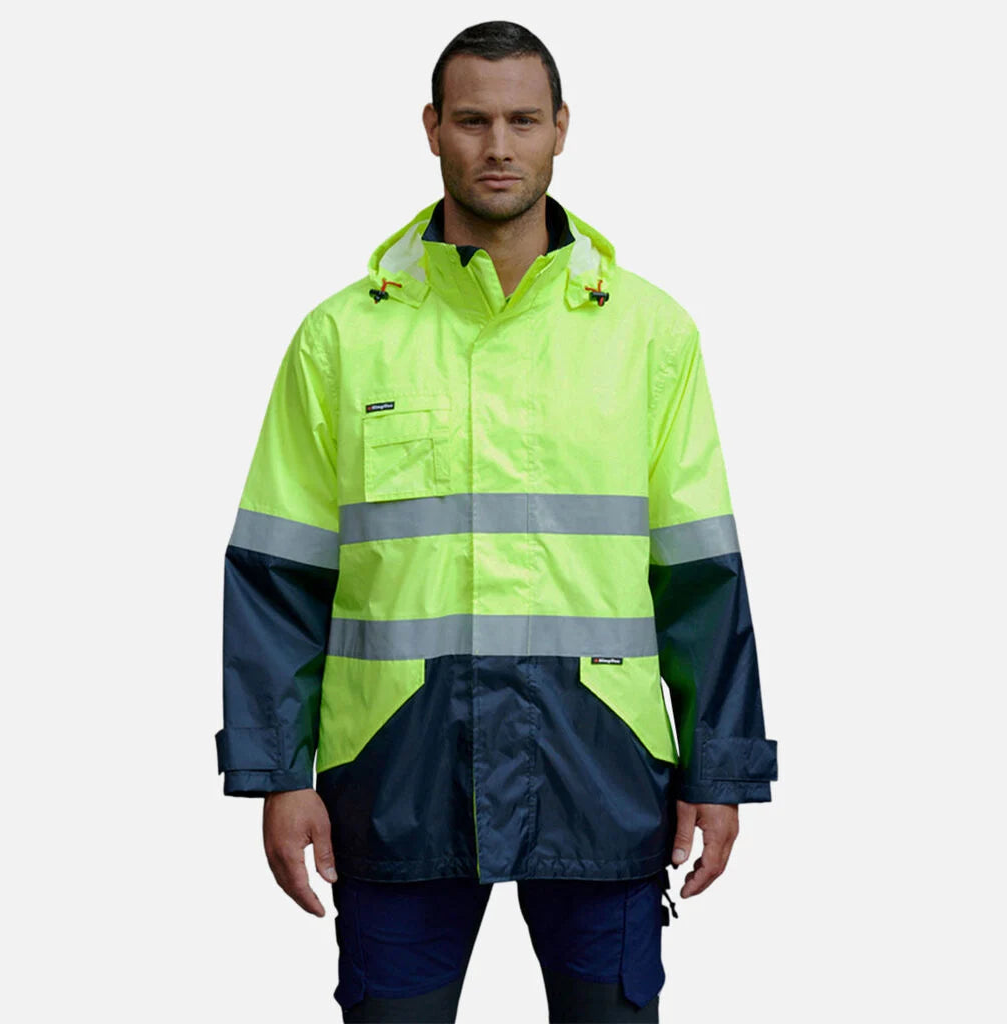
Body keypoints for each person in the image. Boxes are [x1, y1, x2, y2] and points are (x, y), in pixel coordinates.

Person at [214, 20, 778, 1023]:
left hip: (602, 768)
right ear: (432, 127)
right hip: (396, 771)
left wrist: (720, 768)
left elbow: (698, 570)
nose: (499, 146)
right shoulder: (343, 337)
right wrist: (276, 774)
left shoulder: (649, 333)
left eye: (523, 120)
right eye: (473, 121)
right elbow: (278, 572)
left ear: (562, 127)